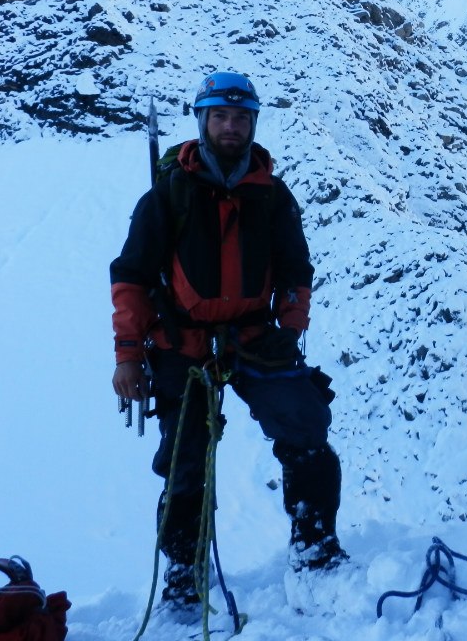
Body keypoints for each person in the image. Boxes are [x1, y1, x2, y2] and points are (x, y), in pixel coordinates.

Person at [110, 71, 345, 615]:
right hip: (183, 343)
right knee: (186, 458)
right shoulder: (168, 194)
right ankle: (183, 570)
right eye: (221, 116)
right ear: (203, 121)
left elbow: (295, 268)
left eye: (241, 117)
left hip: (254, 337)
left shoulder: (270, 194)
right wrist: (128, 354)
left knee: (306, 426)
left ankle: (314, 546)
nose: (232, 126)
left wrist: (290, 326)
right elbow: (132, 276)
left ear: (253, 123)